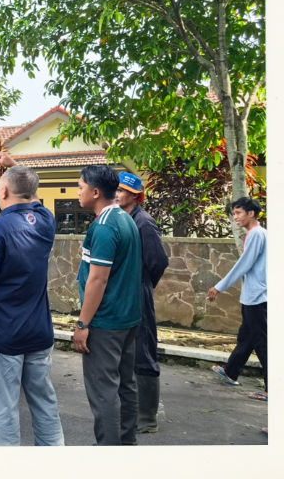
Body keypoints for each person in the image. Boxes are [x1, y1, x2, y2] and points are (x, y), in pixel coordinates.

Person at [0, 166, 64, 446]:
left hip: (6, 336)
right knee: (45, 404)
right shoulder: (47, 221)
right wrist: (15, 166)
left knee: (4, 411)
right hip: (39, 334)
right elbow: (31, 192)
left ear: (4, 191)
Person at [73, 165, 142, 446]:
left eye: (80, 187)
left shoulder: (103, 227)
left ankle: (108, 453)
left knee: (104, 393)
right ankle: (126, 445)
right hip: (128, 319)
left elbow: (97, 281)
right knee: (126, 385)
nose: (78, 193)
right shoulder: (126, 219)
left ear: (96, 191)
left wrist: (82, 323)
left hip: (105, 322)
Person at [115, 171, 169, 434]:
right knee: (130, 349)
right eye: (117, 189)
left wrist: (143, 285)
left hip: (139, 290)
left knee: (143, 348)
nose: (117, 194)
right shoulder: (126, 219)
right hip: (130, 289)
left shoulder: (143, 223)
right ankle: (135, 411)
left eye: (123, 191)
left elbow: (159, 261)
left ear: (136, 196)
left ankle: (147, 418)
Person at [207, 197, 267, 403]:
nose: (235, 217)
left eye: (238, 213)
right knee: (247, 337)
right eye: (234, 214)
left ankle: (272, 388)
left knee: (262, 343)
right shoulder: (256, 234)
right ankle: (231, 372)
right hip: (254, 296)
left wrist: (219, 286)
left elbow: (244, 265)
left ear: (251, 213)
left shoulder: (257, 234)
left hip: (258, 298)